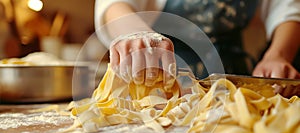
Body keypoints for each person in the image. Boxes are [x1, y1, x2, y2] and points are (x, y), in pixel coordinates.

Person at [94, 0, 300, 88]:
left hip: (235, 83)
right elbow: (115, 5)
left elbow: (285, 8)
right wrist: (137, 34)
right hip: (159, 82)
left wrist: (277, 55)